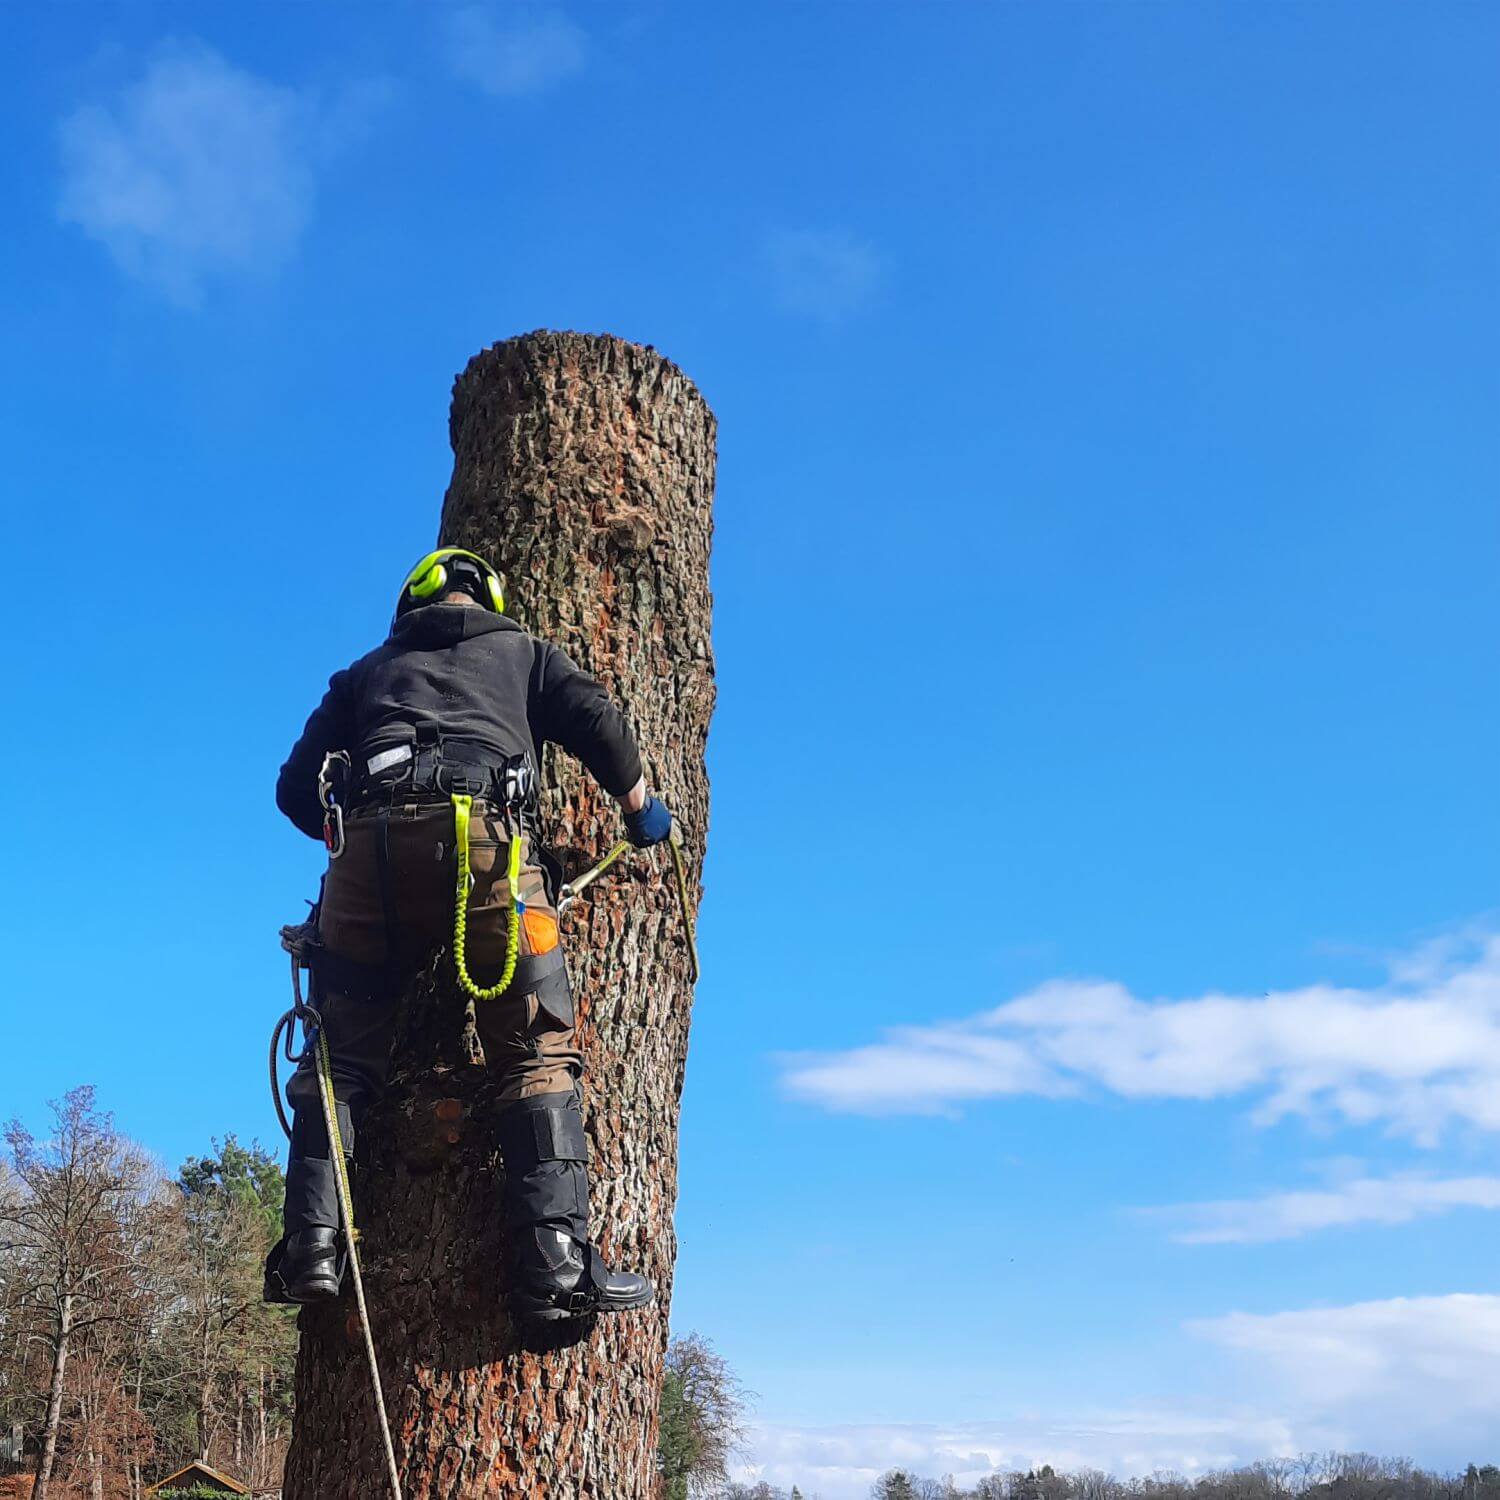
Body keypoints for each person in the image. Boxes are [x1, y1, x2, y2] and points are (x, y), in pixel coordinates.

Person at [265, 546, 671, 1325]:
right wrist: (639, 807)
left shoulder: (362, 674)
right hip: (487, 851)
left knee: (340, 1058)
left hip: (366, 857)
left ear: (410, 605)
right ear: (486, 598)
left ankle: (313, 1248)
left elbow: (293, 790)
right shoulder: (524, 652)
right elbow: (597, 720)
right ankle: (553, 1269)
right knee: (535, 1048)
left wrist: (357, 834)